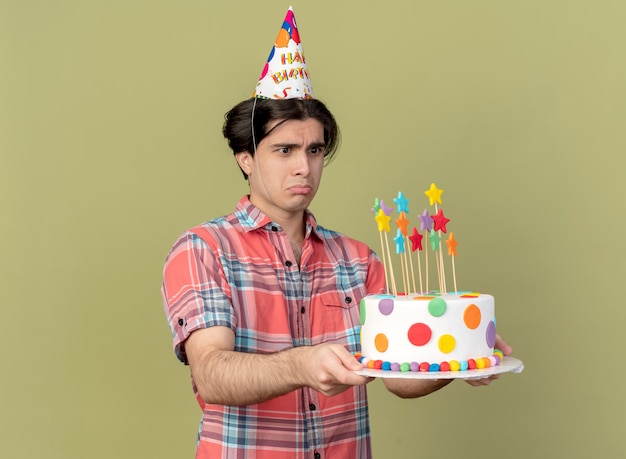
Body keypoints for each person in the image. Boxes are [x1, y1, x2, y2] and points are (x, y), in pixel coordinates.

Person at [161, 8, 512, 459]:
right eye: (283, 150)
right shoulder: (203, 249)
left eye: (314, 150)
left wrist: (458, 360)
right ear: (245, 158)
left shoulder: (357, 260)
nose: (303, 167)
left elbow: (399, 376)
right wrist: (303, 364)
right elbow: (213, 375)